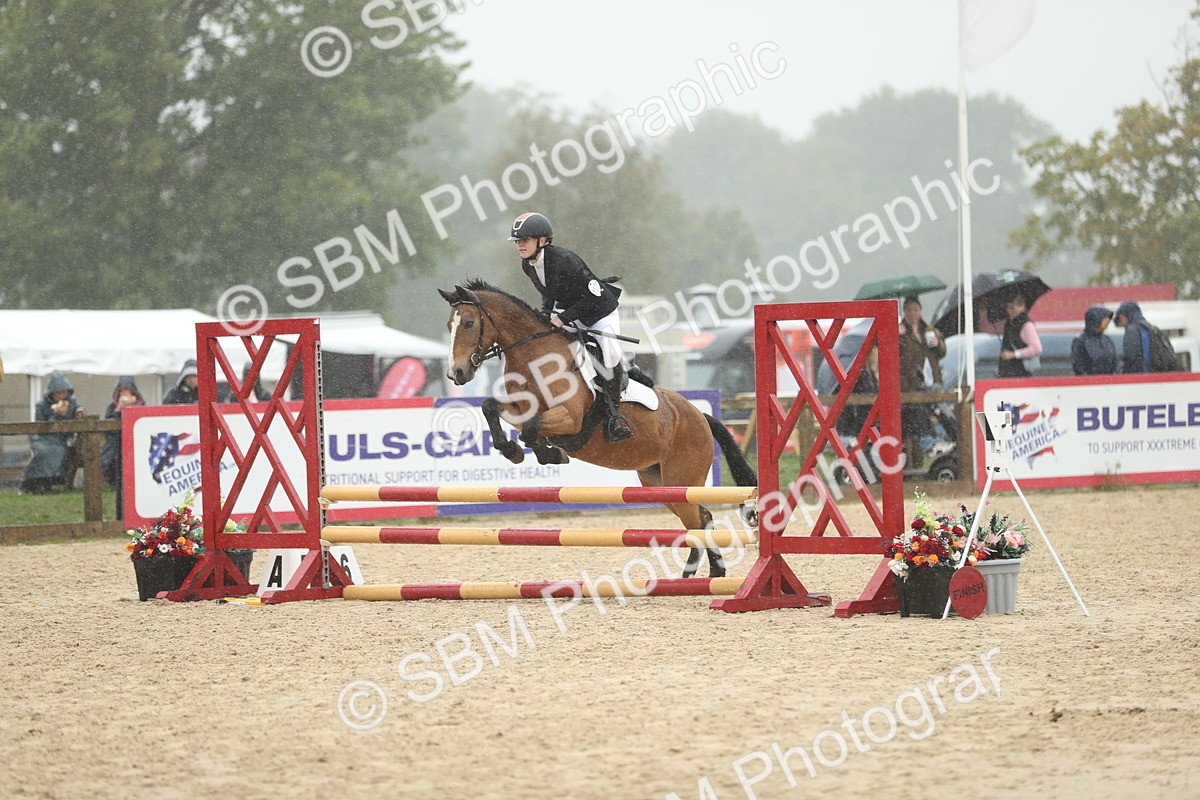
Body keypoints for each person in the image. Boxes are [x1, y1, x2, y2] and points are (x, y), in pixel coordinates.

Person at [509, 212, 632, 442]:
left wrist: (563, 318)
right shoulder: (528, 265)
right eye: (518, 241)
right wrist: (545, 316)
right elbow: (548, 294)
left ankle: (613, 415)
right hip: (573, 313)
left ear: (543, 241)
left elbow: (593, 297)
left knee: (610, 352)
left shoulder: (565, 260)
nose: (520, 245)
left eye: (525, 239)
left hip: (600, 311)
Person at [897, 296, 946, 468]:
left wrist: (938, 343)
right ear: (904, 311)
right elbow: (892, 355)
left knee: (941, 410)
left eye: (915, 310)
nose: (912, 313)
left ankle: (941, 440)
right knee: (919, 413)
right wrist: (897, 336)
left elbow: (942, 352)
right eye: (909, 310)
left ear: (920, 311)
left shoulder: (929, 329)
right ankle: (925, 449)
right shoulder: (900, 331)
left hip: (933, 378)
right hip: (911, 383)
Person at [21, 371, 86, 495]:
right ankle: (34, 482)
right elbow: (40, 426)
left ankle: (46, 482)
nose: (62, 396)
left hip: (63, 439)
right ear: (52, 393)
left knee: (59, 451)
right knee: (43, 452)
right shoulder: (41, 405)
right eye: (58, 392)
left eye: (64, 392)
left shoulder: (72, 402)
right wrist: (57, 416)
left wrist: (80, 414)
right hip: (43, 438)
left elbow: (80, 411)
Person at [100, 376, 145, 519]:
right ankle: (121, 517)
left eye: (128, 392)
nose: (124, 395)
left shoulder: (142, 405)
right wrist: (119, 411)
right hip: (118, 451)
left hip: (138, 451)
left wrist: (134, 409)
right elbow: (109, 431)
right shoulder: (112, 408)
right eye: (122, 392)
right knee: (121, 485)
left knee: (139, 486)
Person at [1114, 300, 1171, 373]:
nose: (1121, 321)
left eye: (1120, 317)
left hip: (1140, 376)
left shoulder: (1132, 330)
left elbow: (1131, 357)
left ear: (1126, 315)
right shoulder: (1150, 327)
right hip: (1155, 374)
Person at [998, 294, 1043, 378]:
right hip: (1010, 373)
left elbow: (1037, 349)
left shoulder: (1026, 325)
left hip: (1020, 373)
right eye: (1007, 308)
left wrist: (1014, 354)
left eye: (1012, 308)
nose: (1009, 311)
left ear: (1022, 307)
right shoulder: (1010, 323)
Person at [1071, 306, 1118, 376]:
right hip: (1089, 384)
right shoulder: (1080, 341)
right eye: (1105, 318)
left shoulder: (1108, 340)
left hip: (1108, 383)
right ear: (1096, 320)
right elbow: (1078, 366)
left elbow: (1115, 363)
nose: (1108, 320)